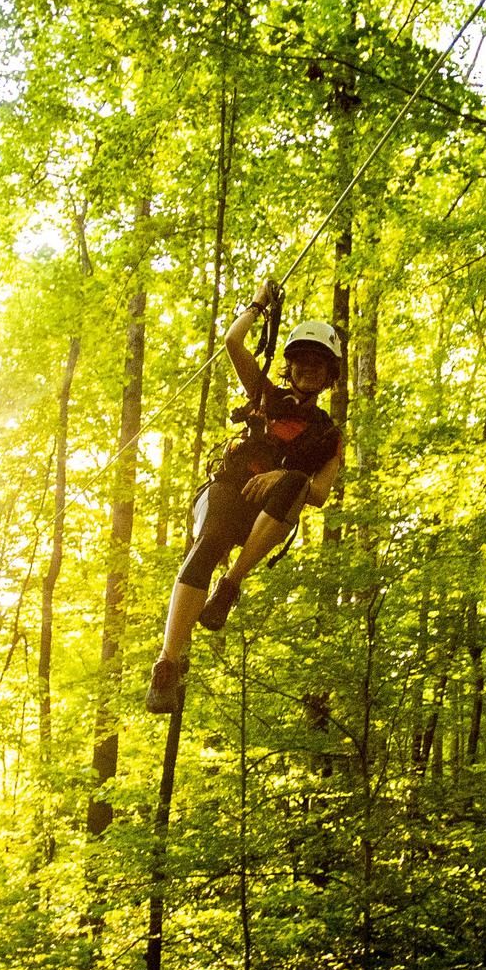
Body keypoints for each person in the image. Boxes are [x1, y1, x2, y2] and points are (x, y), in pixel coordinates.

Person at [146, 282, 344, 713]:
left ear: (330, 376)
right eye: (302, 362)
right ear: (290, 367)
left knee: (293, 480)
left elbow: (319, 495)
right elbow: (233, 342)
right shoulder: (264, 395)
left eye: (319, 365)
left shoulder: (329, 434)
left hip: (267, 515)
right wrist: (258, 304)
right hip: (225, 495)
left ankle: (230, 585)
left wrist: (280, 475)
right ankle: (166, 665)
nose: (309, 370)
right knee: (208, 543)